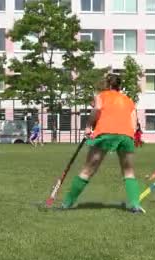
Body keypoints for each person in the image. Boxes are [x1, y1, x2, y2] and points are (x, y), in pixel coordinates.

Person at [60, 74, 144, 214]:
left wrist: (88, 126)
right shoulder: (129, 100)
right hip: (126, 136)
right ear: (119, 86)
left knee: (87, 170)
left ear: (108, 85)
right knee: (128, 172)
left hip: (105, 134)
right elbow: (134, 125)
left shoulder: (101, 96)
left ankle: (67, 203)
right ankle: (135, 205)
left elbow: (97, 110)